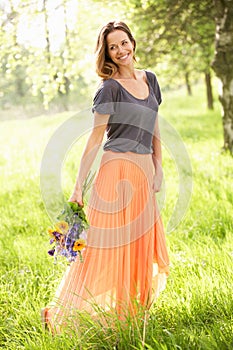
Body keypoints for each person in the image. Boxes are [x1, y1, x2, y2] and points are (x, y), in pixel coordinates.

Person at [42, 21, 169, 333]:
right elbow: (95, 139)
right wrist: (77, 188)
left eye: (124, 43)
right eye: (114, 47)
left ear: (132, 43)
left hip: (143, 173)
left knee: (139, 244)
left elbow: (154, 125)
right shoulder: (108, 88)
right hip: (114, 172)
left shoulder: (149, 79)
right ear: (107, 54)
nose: (121, 51)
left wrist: (159, 165)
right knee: (104, 248)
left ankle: (132, 315)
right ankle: (61, 315)